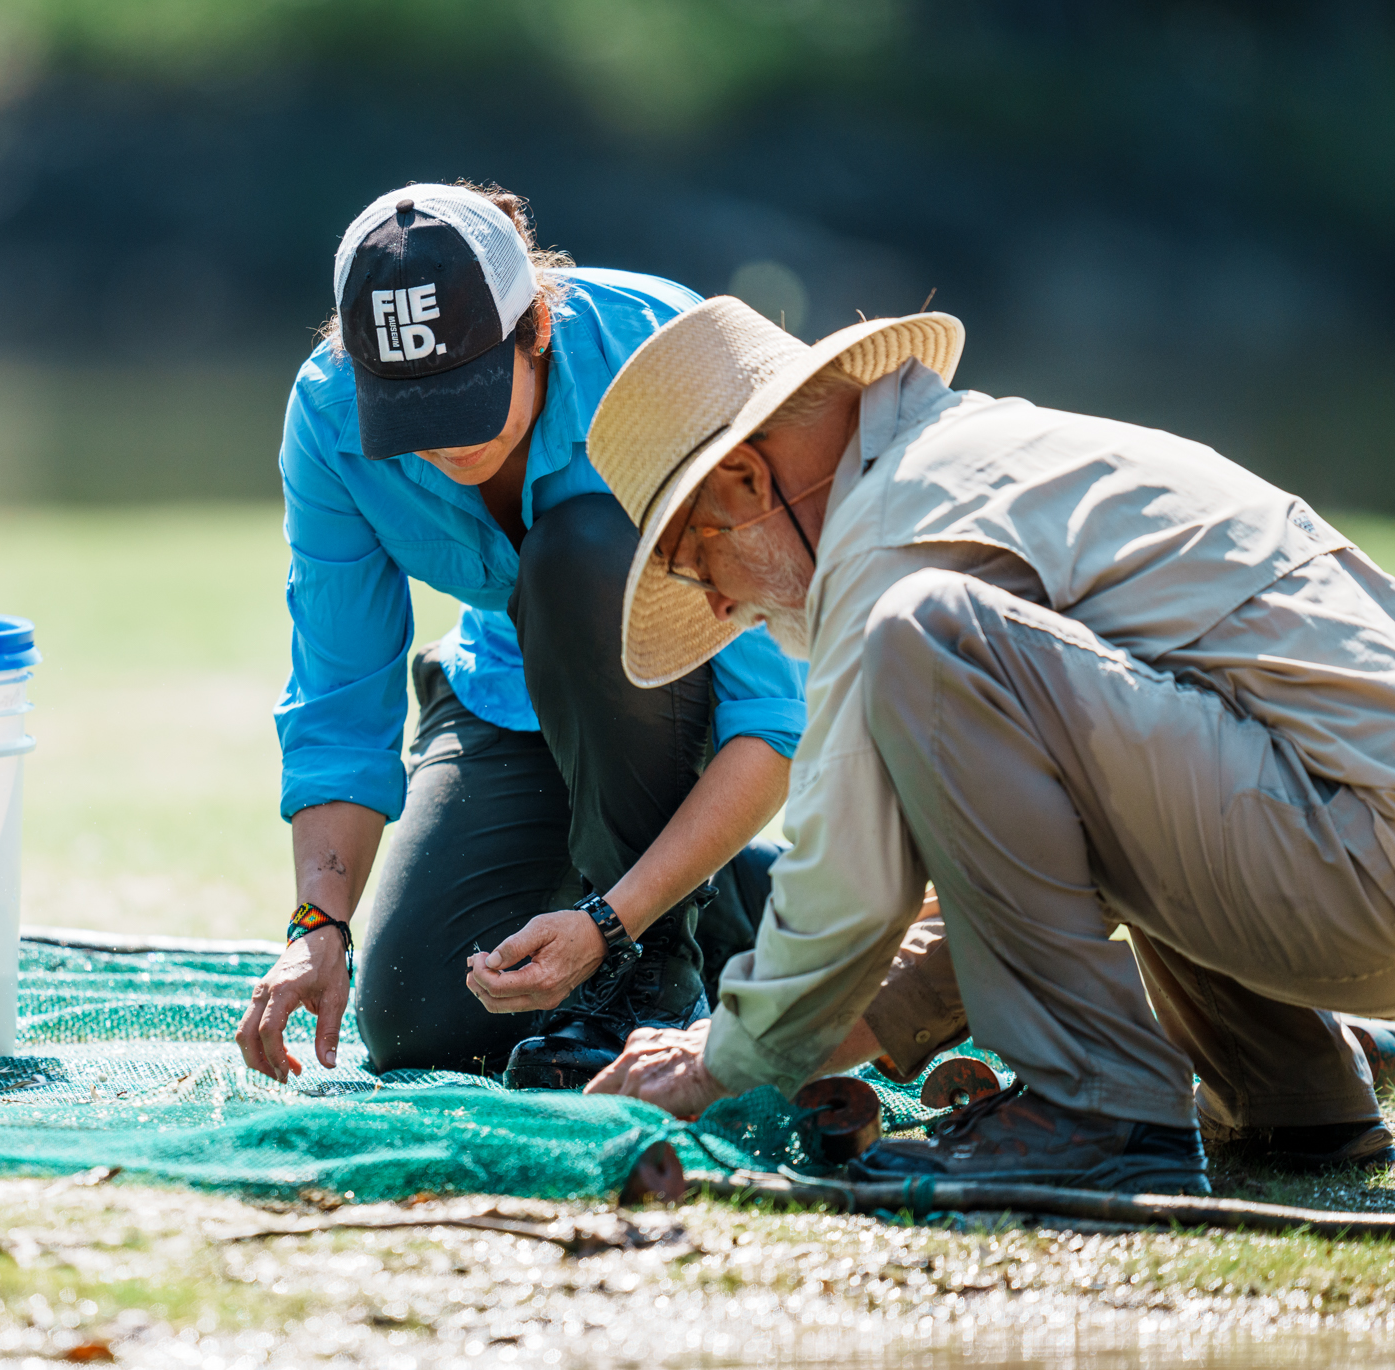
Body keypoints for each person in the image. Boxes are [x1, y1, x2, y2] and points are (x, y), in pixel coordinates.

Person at [582, 295, 1395, 1192]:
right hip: (1351, 849)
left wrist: (725, 1059)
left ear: (744, 480)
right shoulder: (982, 459)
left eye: (697, 563)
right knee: (1086, 695)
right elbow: (1043, 860)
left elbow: (849, 891)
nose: (719, 608)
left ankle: (1100, 1109)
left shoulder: (894, 528)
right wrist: (767, 1037)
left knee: (928, 629)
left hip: (1360, 865)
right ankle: (1292, 1097)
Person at [235, 182, 808, 1091]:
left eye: (465, 396)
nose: (443, 443)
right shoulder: (326, 416)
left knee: (579, 551)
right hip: (509, 692)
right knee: (420, 1026)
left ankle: (655, 961)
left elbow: (771, 717)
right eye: (409, 413)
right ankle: (731, 890)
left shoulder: (673, 356)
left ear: (535, 325)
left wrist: (615, 925)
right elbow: (340, 697)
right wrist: (318, 925)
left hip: (682, 707)